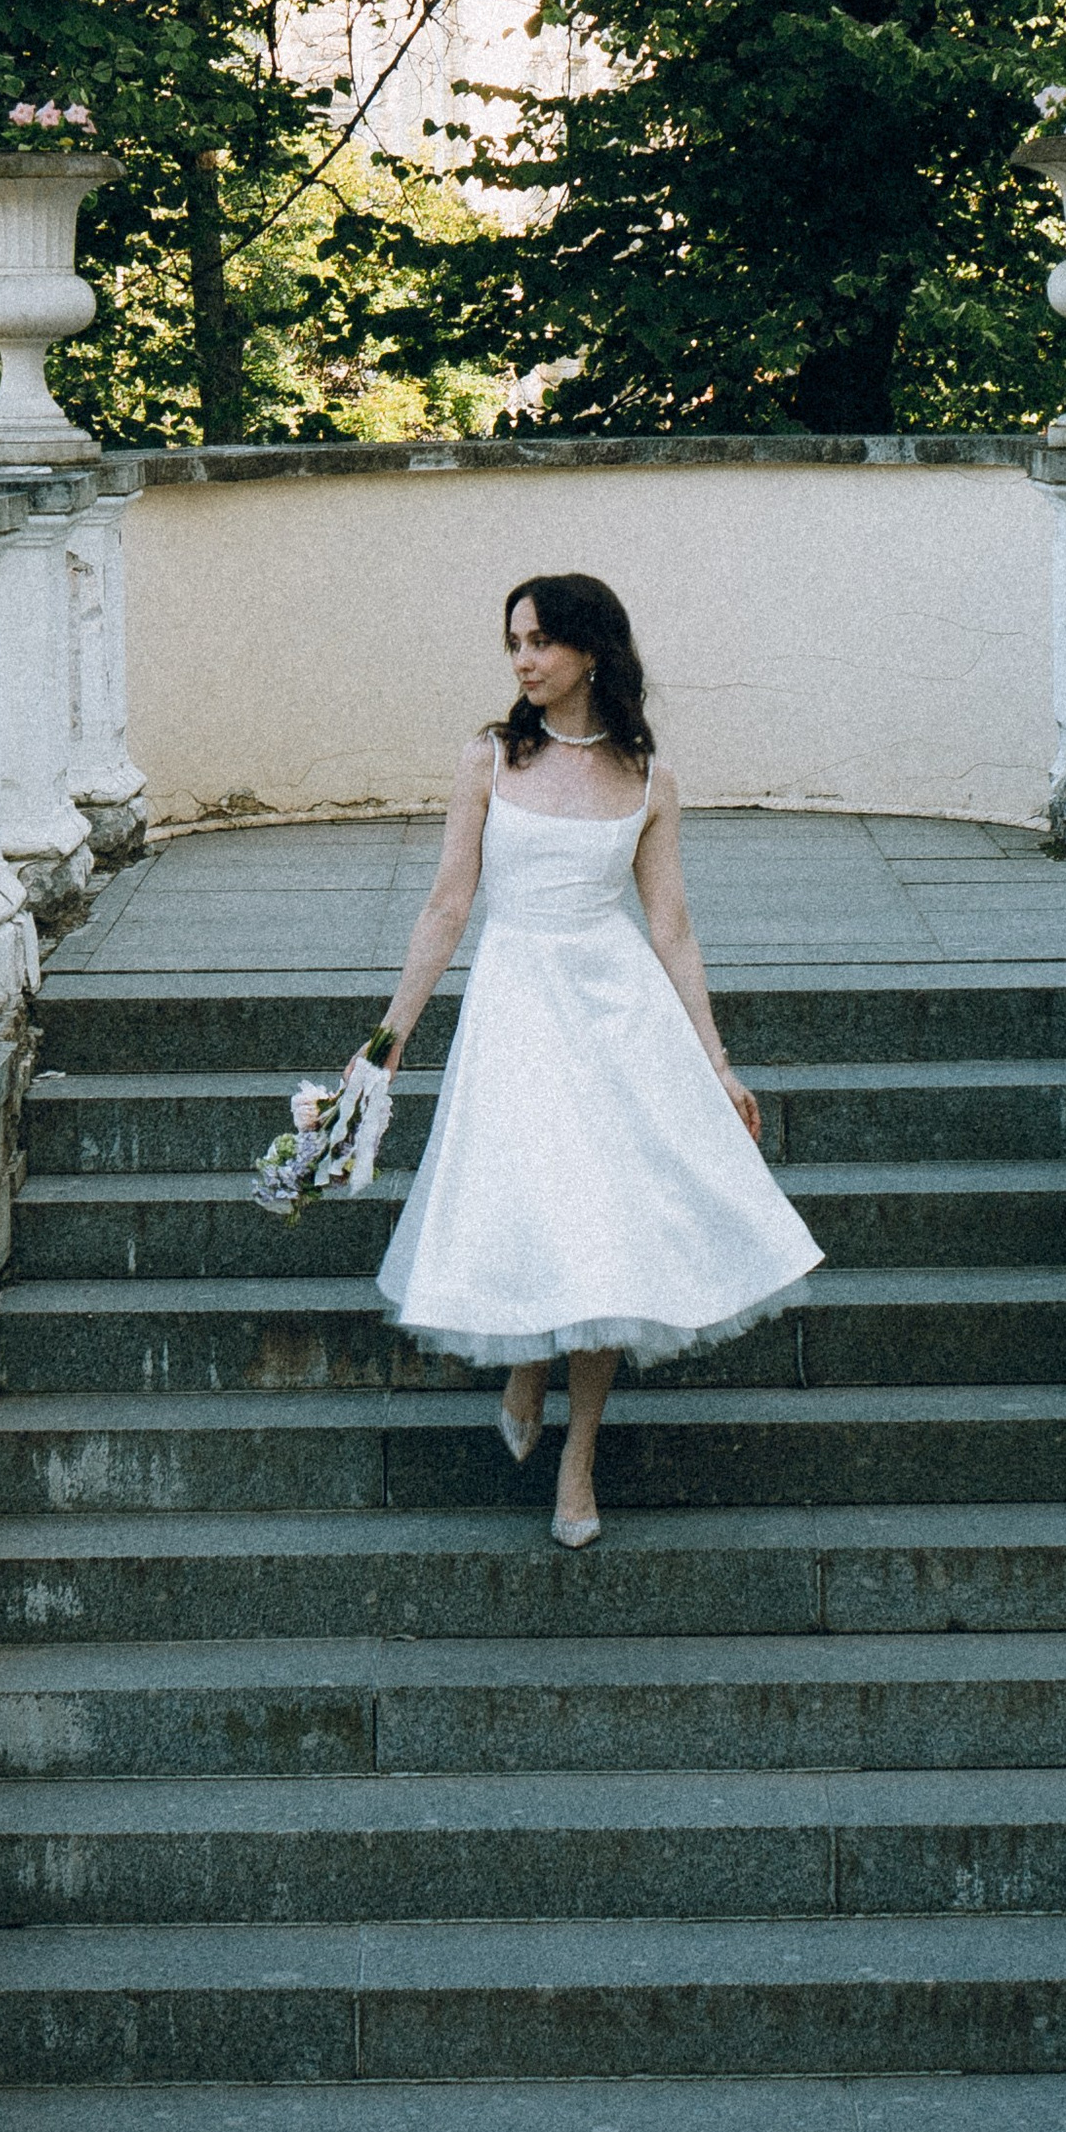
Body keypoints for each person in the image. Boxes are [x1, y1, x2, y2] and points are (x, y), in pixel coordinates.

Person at [361, 572, 822, 1548]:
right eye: (513, 643)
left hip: (619, 1016)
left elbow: (672, 926)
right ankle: (528, 1364)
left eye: (539, 642)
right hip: (517, 1008)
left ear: (590, 652)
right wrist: (386, 1044)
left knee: (607, 1231)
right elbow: (447, 907)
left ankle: (578, 1460)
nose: (523, 660)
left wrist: (718, 1063)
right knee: (543, 1203)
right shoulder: (487, 759)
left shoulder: (649, 777)